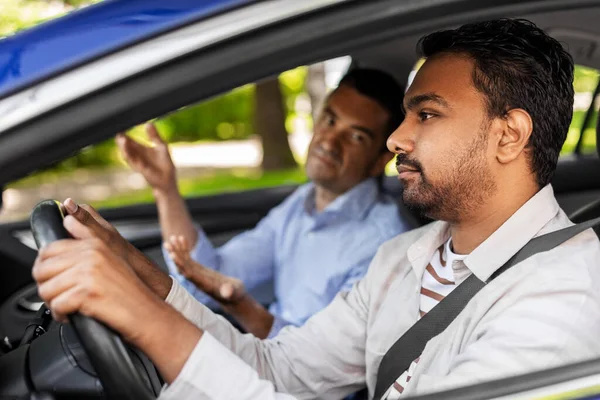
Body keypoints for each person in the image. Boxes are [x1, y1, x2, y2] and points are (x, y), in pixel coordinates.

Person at [32, 18, 600, 400]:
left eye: (425, 115)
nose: (396, 139)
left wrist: (150, 324)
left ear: (509, 136)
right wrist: (151, 286)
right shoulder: (402, 258)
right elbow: (282, 370)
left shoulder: (563, 295)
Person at [115, 68, 411, 338]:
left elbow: (325, 366)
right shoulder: (303, 203)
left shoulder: (383, 243)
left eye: (356, 136)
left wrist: (242, 309)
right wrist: (165, 190)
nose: (329, 142)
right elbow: (205, 276)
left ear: (381, 159)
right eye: (330, 120)